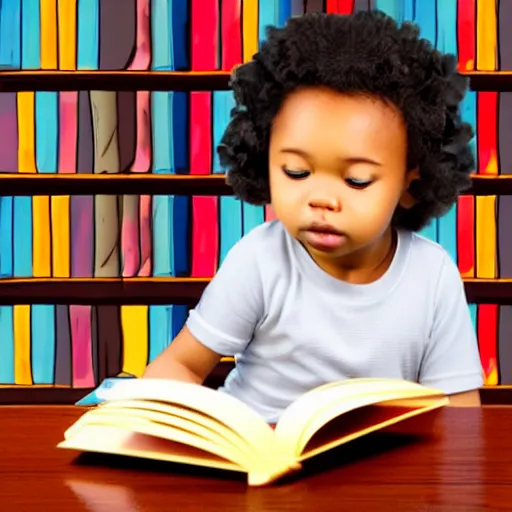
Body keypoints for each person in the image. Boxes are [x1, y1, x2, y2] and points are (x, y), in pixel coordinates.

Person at [144, 10, 484, 423]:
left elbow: (462, 417)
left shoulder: (432, 277)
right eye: (296, 173)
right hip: (258, 465)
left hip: (377, 477)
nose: (321, 199)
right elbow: (176, 366)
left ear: (411, 184)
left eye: (357, 180)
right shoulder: (260, 261)